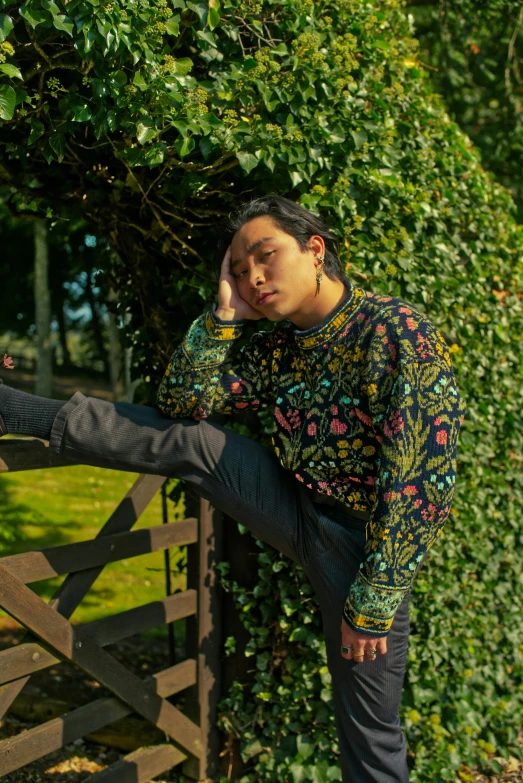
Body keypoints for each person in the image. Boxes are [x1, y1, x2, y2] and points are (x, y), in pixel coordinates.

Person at [0, 195, 466, 782]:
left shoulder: (398, 334)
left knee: (369, 728)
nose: (254, 278)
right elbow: (181, 407)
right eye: (241, 270)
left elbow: (421, 480)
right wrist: (221, 321)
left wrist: (373, 604)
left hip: (362, 548)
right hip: (296, 507)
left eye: (265, 257)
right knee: (191, 442)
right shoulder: (279, 347)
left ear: (315, 250)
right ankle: (12, 408)